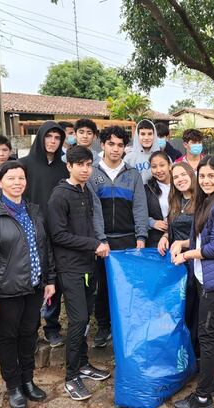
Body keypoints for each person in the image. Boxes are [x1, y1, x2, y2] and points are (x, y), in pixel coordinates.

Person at [0, 161, 55, 408]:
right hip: (6, 289)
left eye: (21, 178)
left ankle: (28, 380)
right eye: (11, 178)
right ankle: (14, 386)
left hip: (34, 286)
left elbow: (45, 247)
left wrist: (49, 280)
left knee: (29, 333)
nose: (17, 183)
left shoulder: (34, 210)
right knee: (8, 337)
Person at [170, 156, 214, 408]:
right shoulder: (206, 200)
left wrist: (186, 255)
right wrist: (181, 244)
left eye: (212, 176)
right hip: (203, 277)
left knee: (206, 335)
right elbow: (200, 239)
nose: (206, 181)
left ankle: (202, 397)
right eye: (202, 176)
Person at [47, 146, 112, 401]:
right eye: (80, 165)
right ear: (69, 166)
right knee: (78, 320)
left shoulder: (85, 191)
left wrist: (96, 244)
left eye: (88, 165)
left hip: (88, 265)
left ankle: (83, 364)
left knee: (85, 319)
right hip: (70, 268)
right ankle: (71, 377)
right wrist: (93, 244)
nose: (85, 169)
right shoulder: (60, 195)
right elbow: (58, 235)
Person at [89, 126, 148, 348]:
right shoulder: (92, 173)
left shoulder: (132, 174)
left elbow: (140, 207)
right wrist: (99, 239)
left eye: (120, 145)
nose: (115, 149)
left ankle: (125, 327)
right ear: (103, 145)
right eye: (111, 144)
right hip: (102, 241)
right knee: (102, 287)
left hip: (127, 239)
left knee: (127, 286)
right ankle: (103, 327)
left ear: (125, 148)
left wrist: (141, 236)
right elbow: (91, 210)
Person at [157, 162, 197, 353]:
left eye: (183, 175)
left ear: (191, 175)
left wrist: (183, 244)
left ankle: (195, 352)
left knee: (194, 310)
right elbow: (173, 226)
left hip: (195, 261)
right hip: (177, 265)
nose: (180, 179)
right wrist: (165, 236)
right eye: (176, 177)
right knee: (180, 308)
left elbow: (204, 236)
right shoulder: (175, 201)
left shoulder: (202, 201)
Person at [19, 121, 68, 211]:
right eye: (48, 136)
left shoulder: (65, 168)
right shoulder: (22, 164)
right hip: (29, 216)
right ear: (40, 138)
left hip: (57, 218)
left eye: (57, 138)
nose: (53, 141)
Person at [145, 151, 172, 248]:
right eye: (154, 167)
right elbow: (138, 214)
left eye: (162, 165)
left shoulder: (180, 185)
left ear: (169, 166)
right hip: (155, 240)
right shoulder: (146, 189)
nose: (158, 170)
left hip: (179, 237)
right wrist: (152, 223)